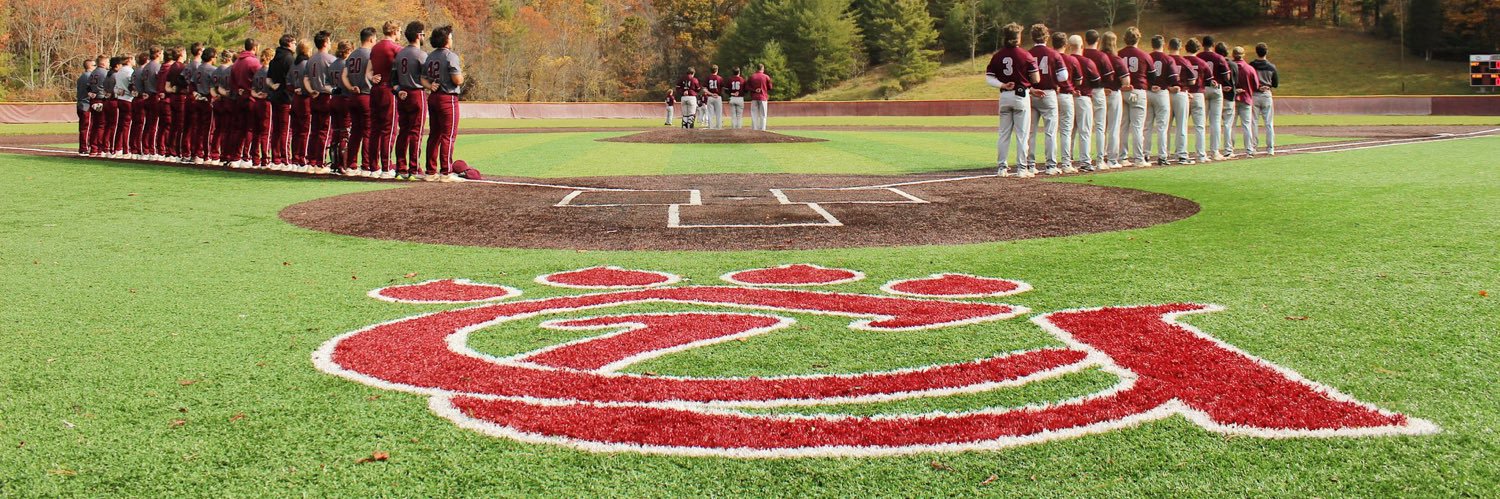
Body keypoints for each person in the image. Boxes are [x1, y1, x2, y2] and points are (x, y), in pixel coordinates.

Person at [985, 22, 1039, 178]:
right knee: (1022, 134)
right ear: (1018, 37)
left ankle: (1002, 167)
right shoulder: (1026, 55)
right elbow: (1035, 79)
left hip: (1004, 95)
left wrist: (1002, 84)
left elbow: (989, 78)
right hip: (1021, 95)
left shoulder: (997, 56)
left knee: (1003, 134)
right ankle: (1022, 169)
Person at [423, 25, 463, 182]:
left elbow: (423, 78)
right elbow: (457, 79)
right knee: (448, 136)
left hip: (433, 97)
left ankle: (430, 171)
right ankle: (446, 172)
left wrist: (429, 86)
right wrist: (461, 78)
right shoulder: (450, 56)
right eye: (450, 37)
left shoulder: (430, 56)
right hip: (448, 98)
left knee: (434, 135)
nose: (452, 39)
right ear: (446, 39)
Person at [1026, 24, 1066, 175]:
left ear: (1032, 37)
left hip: (1031, 93)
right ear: (1047, 37)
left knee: (1031, 132)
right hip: (1048, 94)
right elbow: (1063, 77)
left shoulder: (1028, 54)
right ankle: (1050, 165)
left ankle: (1030, 164)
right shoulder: (1054, 54)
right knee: (1050, 132)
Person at [394, 22, 429, 179]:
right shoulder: (421, 55)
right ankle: (414, 169)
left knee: (403, 132)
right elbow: (427, 77)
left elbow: (393, 79)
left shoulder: (399, 54)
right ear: (418, 35)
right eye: (423, 34)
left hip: (402, 94)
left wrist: (398, 91)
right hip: (416, 94)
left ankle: (400, 168)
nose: (424, 37)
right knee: (416, 132)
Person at [342, 28, 378, 176]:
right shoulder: (370, 54)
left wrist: (351, 87)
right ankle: (366, 165)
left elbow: (344, 76)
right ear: (371, 39)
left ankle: (351, 165)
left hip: (353, 96)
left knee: (355, 132)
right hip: (366, 95)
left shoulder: (352, 55)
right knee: (368, 131)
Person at [370, 21, 403, 174]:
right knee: (389, 130)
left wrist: (371, 78)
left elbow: (369, 69)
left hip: (375, 90)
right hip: (388, 89)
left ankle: (373, 166)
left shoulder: (375, 47)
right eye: (399, 31)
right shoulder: (395, 48)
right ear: (394, 31)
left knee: (375, 129)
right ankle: (386, 166)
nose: (400, 34)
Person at [1116, 28, 1152, 167]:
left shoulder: (1119, 54)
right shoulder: (1144, 55)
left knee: (1123, 125)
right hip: (1138, 90)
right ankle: (1139, 158)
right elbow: (1152, 75)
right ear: (1138, 38)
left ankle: (1122, 157)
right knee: (1137, 126)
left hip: (1122, 91)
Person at [1067, 34, 1101, 172]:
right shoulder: (1087, 62)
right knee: (1084, 131)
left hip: (1068, 97)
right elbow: (1097, 81)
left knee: (1068, 131)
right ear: (1082, 46)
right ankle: (1085, 161)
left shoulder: (1066, 60)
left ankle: (1066, 160)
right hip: (1083, 97)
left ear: (1069, 46)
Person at [306, 32, 338, 174]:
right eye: (329, 41)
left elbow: (306, 78)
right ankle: (320, 162)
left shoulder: (310, 59)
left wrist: (310, 90)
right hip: (326, 96)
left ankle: (311, 161)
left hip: (314, 96)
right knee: (324, 131)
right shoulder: (331, 59)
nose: (330, 43)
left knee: (314, 130)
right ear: (325, 42)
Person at [1197, 36, 1233, 162]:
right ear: (1213, 45)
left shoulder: (1198, 56)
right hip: (1216, 88)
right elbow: (1227, 76)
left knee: (1201, 122)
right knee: (1215, 121)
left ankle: (1201, 152)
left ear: (1202, 44)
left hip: (1202, 89)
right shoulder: (1219, 57)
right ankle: (1215, 152)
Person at [229, 39, 263, 169]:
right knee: (250, 129)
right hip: (251, 99)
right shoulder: (254, 62)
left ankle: (235, 156)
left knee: (239, 128)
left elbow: (232, 82)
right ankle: (246, 157)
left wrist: (238, 90)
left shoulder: (237, 62)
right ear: (255, 47)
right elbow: (260, 79)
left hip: (239, 98)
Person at [1144, 35, 1177, 166]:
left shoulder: (1147, 56)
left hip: (1147, 92)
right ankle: (1162, 156)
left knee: (1147, 126)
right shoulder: (1168, 59)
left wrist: (1149, 86)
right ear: (1163, 44)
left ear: (1152, 44)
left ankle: (1145, 154)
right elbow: (1173, 79)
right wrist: (1165, 85)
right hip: (1162, 93)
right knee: (1162, 127)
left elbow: (1142, 75)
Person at [267, 35, 296, 168]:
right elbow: (292, 79)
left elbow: (268, 79)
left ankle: (275, 158)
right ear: (289, 43)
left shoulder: (274, 60)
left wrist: (273, 86)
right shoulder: (289, 59)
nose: (295, 45)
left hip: (275, 97)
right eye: (294, 43)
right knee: (285, 130)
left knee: (276, 129)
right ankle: (284, 159)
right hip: (286, 98)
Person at [1167, 38, 1196, 165]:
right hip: (1181, 93)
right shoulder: (1184, 61)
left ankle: (1164, 153)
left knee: (1164, 126)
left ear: (1168, 46)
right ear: (1180, 47)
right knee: (1181, 125)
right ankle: (1182, 154)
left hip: (1166, 93)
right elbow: (1192, 81)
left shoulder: (1165, 59)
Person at [1183, 39, 1211, 164]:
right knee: (1199, 126)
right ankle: (1201, 154)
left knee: (1182, 125)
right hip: (1198, 93)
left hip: (1184, 93)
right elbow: (1209, 80)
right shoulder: (1202, 62)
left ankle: (1181, 153)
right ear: (1198, 49)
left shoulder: (1182, 60)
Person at [1231, 46, 1261, 157]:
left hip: (1232, 99)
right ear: (1243, 55)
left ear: (1233, 55)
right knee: (1246, 125)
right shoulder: (1249, 68)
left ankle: (1229, 149)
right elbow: (1256, 85)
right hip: (1246, 98)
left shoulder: (1229, 67)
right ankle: (1249, 150)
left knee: (1231, 125)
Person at [287, 42, 313, 171]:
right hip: (305, 100)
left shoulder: (294, 64)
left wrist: (294, 90)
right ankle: (302, 158)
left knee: (296, 131)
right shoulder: (307, 64)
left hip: (295, 100)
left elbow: (288, 82)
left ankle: (295, 158)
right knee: (304, 131)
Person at [329, 42, 353, 174]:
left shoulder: (332, 64)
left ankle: (334, 162)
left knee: (336, 132)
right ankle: (343, 164)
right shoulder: (346, 64)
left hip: (334, 98)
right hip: (344, 98)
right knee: (345, 133)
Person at [1250, 42, 1278, 156]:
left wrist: (1257, 86)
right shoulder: (1271, 67)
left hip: (1254, 95)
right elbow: (1275, 84)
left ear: (1256, 52)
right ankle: (1270, 148)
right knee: (1268, 123)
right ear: (1266, 52)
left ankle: (1253, 147)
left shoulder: (1252, 65)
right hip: (1266, 94)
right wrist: (1268, 85)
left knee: (1254, 122)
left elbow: (1249, 80)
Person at [132, 49, 161, 159]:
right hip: (153, 96)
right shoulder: (156, 66)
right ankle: (150, 150)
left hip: (145, 96)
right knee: (153, 125)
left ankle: (145, 149)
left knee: (146, 125)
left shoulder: (144, 68)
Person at [190, 48, 217, 164]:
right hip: (207, 100)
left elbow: (191, 85)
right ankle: (206, 155)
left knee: (197, 128)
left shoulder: (198, 68)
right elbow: (213, 88)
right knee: (208, 129)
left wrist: (196, 94)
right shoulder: (213, 70)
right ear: (211, 57)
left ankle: (196, 153)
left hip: (198, 100)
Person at [250, 48, 276, 168]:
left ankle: (255, 158)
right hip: (266, 103)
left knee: (256, 132)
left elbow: (253, 90)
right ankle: (265, 159)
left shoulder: (258, 72)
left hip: (257, 102)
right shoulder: (269, 72)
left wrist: (256, 95)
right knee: (266, 132)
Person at [1214, 42, 1237, 159]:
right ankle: (1228, 149)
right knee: (1228, 124)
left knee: (1215, 122)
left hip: (1216, 94)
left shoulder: (1213, 62)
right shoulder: (1232, 64)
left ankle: (1214, 149)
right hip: (1228, 96)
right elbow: (1235, 81)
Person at [87, 55, 109, 157]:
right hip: (101, 99)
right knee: (101, 125)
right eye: (107, 62)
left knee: (95, 125)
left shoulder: (93, 72)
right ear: (103, 63)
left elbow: (88, 87)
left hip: (93, 100)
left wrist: (91, 93)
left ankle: (93, 148)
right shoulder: (105, 73)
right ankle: (100, 148)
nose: (108, 64)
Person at [75, 59, 97, 156]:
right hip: (86, 105)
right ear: (90, 66)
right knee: (87, 127)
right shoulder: (89, 76)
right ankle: (84, 148)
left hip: (81, 104)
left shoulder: (82, 76)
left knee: (84, 128)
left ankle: (83, 147)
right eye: (94, 65)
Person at [747, 64, 772, 131]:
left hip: (754, 98)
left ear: (756, 68)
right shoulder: (766, 77)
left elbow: (747, 87)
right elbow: (770, 87)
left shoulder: (752, 76)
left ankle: (754, 129)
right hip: (763, 97)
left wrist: (754, 90)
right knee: (763, 115)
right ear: (762, 69)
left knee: (754, 115)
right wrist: (764, 88)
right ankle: (762, 130)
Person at [701, 65, 724, 130]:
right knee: (719, 113)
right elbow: (723, 88)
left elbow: (704, 89)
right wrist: (718, 94)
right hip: (718, 97)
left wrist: (711, 94)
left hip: (710, 97)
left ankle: (711, 127)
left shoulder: (707, 78)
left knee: (710, 113)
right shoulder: (720, 78)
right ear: (717, 70)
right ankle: (719, 127)